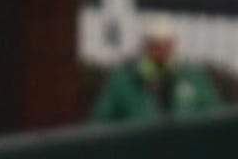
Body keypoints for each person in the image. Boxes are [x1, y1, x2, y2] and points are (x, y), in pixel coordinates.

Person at [90, 15, 221, 122]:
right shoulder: (124, 82)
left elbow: (213, 120)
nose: (161, 52)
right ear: (145, 46)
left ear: (173, 45)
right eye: (155, 46)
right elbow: (102, 123)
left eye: (166, 45)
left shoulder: (194, 80)